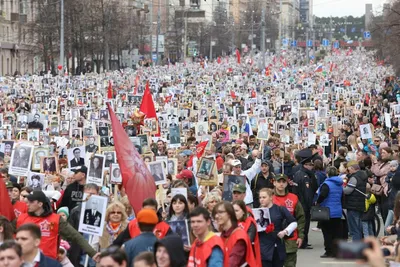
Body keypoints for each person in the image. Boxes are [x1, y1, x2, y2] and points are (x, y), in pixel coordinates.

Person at [16, 191, 96, 260]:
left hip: (48, 262)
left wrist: (93, 253)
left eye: (31, 202)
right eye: (28, 201)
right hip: (26, 261)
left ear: (40, 204)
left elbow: (76, 236)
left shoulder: (56, 219)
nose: (27, 204)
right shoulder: (21, 218)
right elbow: (7, 232)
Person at [258, 188, 297, 267]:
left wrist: (285, 231)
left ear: (271, 197)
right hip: (263, 249)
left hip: (277, 248)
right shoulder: (257, 212)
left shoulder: (280, 209)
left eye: (264, 197)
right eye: (260, 197)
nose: (261, 200)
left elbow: (294, 223)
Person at [273, 174, 305, 267]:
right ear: (274, 183)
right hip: (274, 240)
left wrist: (301, 236)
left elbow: (301, 218)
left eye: (284, 182)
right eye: (279, 182)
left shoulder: (293, 198)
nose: (281, 184)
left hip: (291, 239)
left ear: (287, 183)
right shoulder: (269, 198)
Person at [212, 201, 257, 267]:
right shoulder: (223, 235)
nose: (216, 216)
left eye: (220, 212)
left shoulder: (239, 236)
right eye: (215, 213)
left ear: (229, 214)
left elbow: (232, 263)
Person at [292, 148, 318, 249]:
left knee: (302, 224)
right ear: (306, 165)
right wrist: (309, 205)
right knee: (304, 224)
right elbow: (307, 193)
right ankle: (303, 242)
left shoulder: (300, 174)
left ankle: (303, 240)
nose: (312, 167)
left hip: (299, 203)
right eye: (310, 165)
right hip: (303, 204)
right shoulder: (304, 176)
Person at [316, 166, 343, 258]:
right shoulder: (339, 184)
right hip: (337, 211)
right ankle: (336, 251)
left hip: (327, 211)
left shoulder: (326, 184)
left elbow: (323, 195)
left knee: (327, 233)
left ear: (327, 174)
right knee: (336, 233)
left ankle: (329, 251)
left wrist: (317, 202)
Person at [343, 160, 367, 241]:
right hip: (360, 204)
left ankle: (356, 247)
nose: (348, 170)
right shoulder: (363, 175)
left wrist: (341, 188)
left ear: (352, 168)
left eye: (349, 168)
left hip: (353, 205)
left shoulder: (354, 177)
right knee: (359, 227)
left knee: (354, 228)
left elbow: (348, 190)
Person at [232, 201, 261, 265]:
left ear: (243, 212)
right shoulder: (231, 223)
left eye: (236, 211)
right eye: (233, 211)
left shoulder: (250, 222)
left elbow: (248, 241)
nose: (234, 213)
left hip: (247, 258)